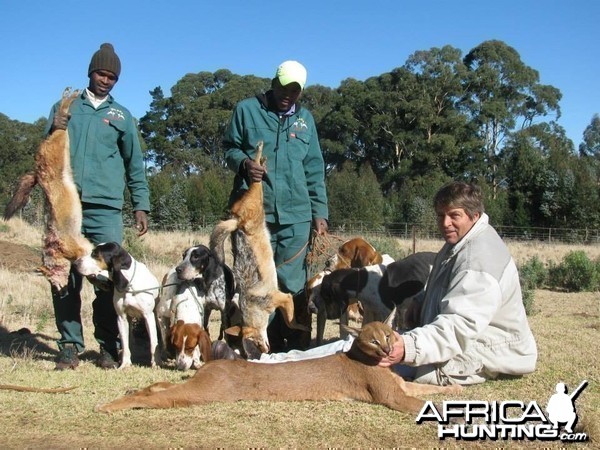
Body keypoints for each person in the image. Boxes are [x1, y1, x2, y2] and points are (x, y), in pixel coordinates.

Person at [253, 181, 538, 386]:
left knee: (353, 358)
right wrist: (417, 314)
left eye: (455, 216)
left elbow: (458, 327)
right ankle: (264, 364)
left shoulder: (478, 260)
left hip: (483, 353)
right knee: (354, 347)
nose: (446, 223)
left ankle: (264, 367)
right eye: (441, 216)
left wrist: (408, 347)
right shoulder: (462, 244)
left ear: (474, 216)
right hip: (463, 344)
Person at [48, 43, 150, 370]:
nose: (105, 80)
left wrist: (140, 205)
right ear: (89, 72)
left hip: (105, 208)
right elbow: (49, 150)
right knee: (64, 277)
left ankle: (108, 345)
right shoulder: (65, 108)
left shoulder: (121, 116)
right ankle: (69, 346)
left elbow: (135, 163)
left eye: (112, 77)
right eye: (101, 73)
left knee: (108, 279)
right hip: (66, 205)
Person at [222, 60, 329, 348]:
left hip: (296, 216)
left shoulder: (305, 120)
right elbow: (229, 148)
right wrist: (244, 164)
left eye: (295, 90)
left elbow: (314, 168)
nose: (288, 94)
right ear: (273, 82)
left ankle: (294, 346)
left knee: (293, 282)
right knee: (256, 283)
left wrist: (320, 212)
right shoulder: (247, 110)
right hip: (255, 216)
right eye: (284, 87)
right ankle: (255, 343)